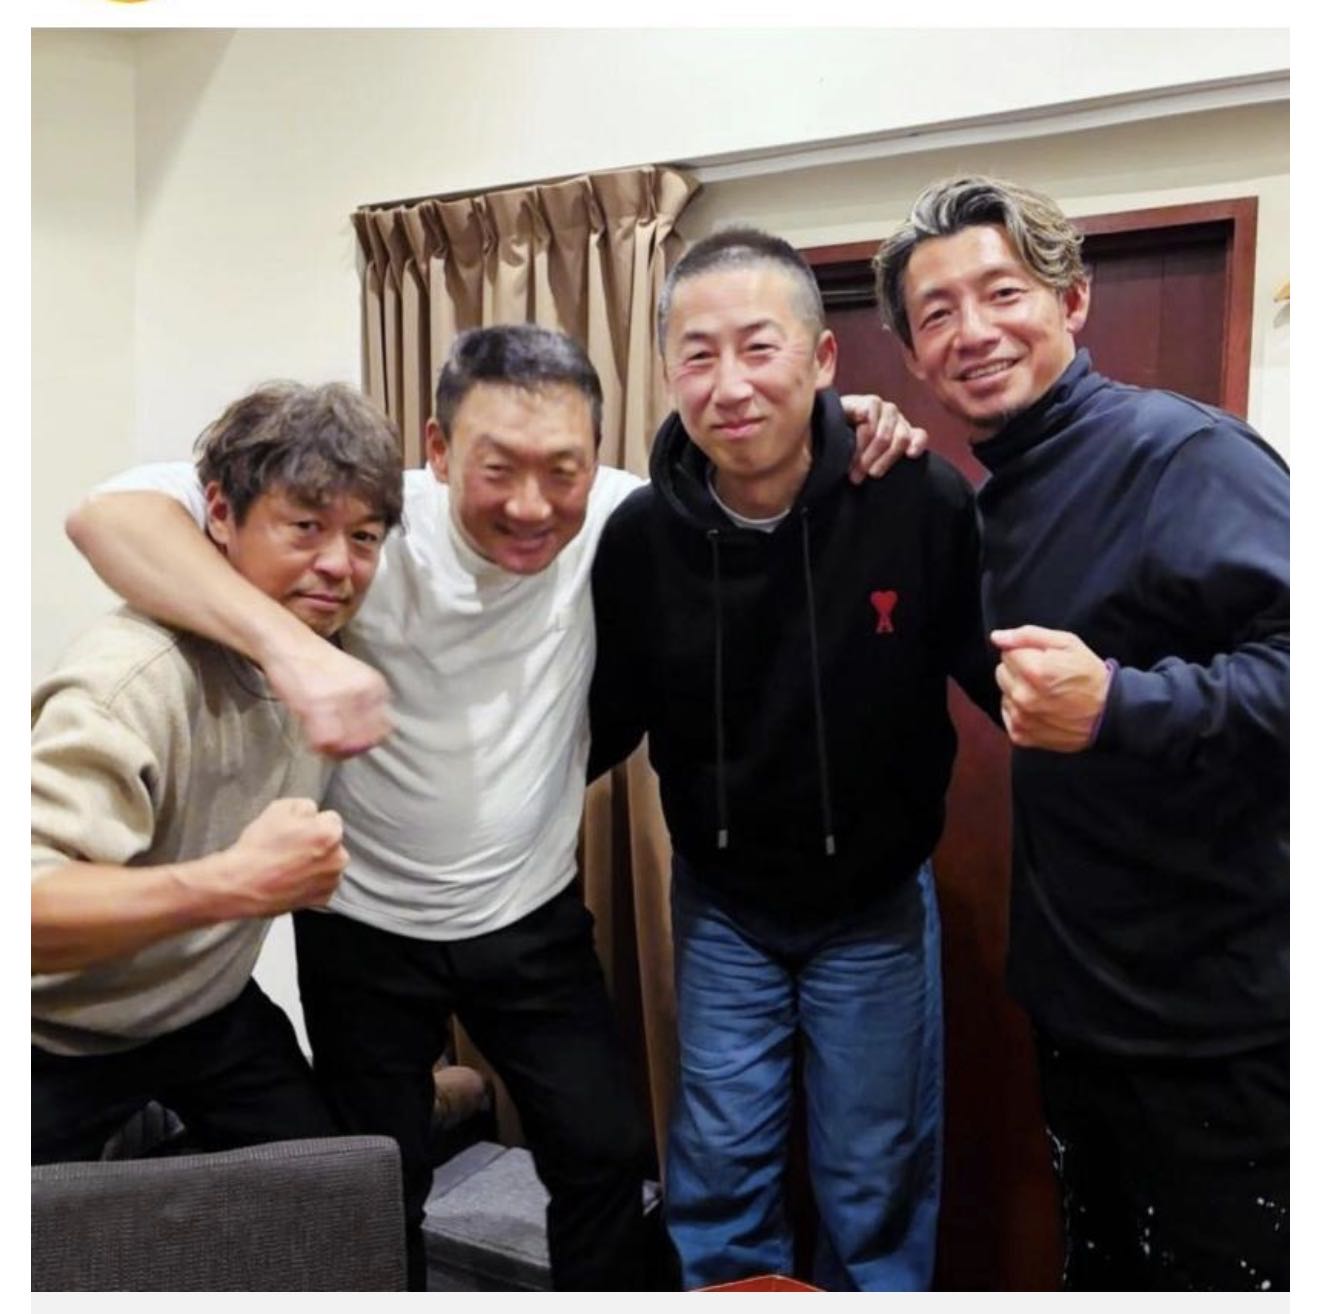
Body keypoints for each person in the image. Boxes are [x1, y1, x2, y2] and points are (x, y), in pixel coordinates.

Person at [63, 325, 923, 1290]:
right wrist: (293, 650)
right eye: (497, 468)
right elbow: (105, 517)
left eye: (561, 469)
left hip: (529, 917)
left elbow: (761, 488)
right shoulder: (365, 530)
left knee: (605, 1153)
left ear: (594, 456)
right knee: (374, 1180)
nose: (531, 504)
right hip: (363, 926)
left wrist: (842, 424)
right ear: (437, 450)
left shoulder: (619, 517)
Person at [874, 175, 1289, 1292]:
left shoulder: (1183, 456)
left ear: (1072, 299)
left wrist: (1118, 705)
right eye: (936, 314)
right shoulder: (989, 502)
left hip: (1221, 1024)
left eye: (1002, 292)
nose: (973, 331)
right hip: (1080, 1006)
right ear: (913, 355)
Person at [587, 228, 999, 1291]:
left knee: (876, 1180)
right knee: (720, 1177)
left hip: (875, 903)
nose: (729, 385)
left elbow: (1003, 676)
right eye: (698, 355)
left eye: (758, 347)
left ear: (821, 359)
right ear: (668, 371)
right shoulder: (637, 539)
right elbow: (601, 721)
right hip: (724, 909)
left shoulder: (916, 499)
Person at [32, 381, 402, 1165]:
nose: (338, 565)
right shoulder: (132, 679)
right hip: (52, 1034)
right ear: (221, 517)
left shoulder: (328, 651)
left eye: (365, 537)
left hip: (207, 1012)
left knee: (328, 1197)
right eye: (305, 527)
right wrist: (237, 883)